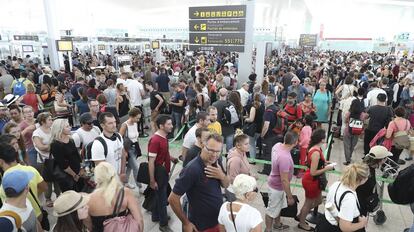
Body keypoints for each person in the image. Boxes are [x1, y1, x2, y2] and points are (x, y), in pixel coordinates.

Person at [169, 133, 230, 232]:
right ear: (202, 145)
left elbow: (226, 184)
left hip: (218, 221)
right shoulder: (192, 169)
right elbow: (172, 199)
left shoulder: (216, 161)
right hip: (202, 226)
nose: (214, 155)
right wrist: (186, 223)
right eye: (210, 150)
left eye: (218, 151)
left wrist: (222, 176)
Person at [88, 162, 143, 232]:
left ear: (97, 178)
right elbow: (139, 219)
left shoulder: (89, 199)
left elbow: (89, 226)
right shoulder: (125, 193)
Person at [0, 143, 48, 223]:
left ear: (1, 161)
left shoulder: (3, 186)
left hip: (21, 221)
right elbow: (44, 187)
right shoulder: (31, 170)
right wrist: (33, 194)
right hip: (38, 214)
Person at [298, 129, 334, 231]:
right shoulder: (316, 152)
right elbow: (313, 172)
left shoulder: (316, 148)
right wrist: (327, 168)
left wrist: (325, 163)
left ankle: (301, 215)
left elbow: (316, 163)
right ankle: (302, 223)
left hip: (313, 180)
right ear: (322, 139)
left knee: (318, 200)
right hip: (311, 180)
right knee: (308, 203)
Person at [315, 163, 369, 232]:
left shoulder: (337, 184)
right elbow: (345, 227)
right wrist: (362, 223)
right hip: (335, 228)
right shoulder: (349, 198)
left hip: (326, 223)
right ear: (362, 179)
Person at [148, 115, 178, 232]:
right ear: (161, 126)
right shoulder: (155, 140)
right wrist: (152, 180)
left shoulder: (164, 137)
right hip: (158, 174)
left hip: (164, 172)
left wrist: (171, 158)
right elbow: (151, 162)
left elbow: (163, 152)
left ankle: (156, 216)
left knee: (159, 195)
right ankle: (163, 224)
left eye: (171, 123)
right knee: (162, 198)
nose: (171, 126)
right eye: (169, 124)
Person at [265, 131, 298, 232]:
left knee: (277, 206)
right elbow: (284, 180)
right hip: (277, 187)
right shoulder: (285, 158)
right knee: (271, 210)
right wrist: (290, 196)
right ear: (295, 142)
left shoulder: (277, 145)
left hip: (274, 182)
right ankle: (268, 229)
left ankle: (277, 224)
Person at [32, 112, 60, 207]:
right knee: (48, 180)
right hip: (44, 160)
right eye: (49, 119)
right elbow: (40, 147)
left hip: (55, 158)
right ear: (43, 122)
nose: (51, 121)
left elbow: (59, 141)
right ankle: (48, 198)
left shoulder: (53, 129)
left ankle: (58, 195)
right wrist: (52, 146)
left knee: (57, 178)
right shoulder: (37, 133)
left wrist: (50, 146)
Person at [91, 112, 126, 182]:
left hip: (118, 178)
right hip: (107, 182)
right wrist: (114, 180)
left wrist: (122, 173)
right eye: (110, 123)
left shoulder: (118, 136)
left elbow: (123, 155)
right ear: (102, 125)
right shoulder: (98, 144)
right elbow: (101, 168)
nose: (114, 125)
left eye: (114, 122)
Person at [356, 146, 391, 217]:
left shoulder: (363, 166)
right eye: (386, 158)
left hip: (357, 203)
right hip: (358, 207)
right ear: (381, 160)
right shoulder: (368, 174)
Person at [50, 119, 83, 192]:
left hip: (77, 171)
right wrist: (74, 175)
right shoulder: (55, 144)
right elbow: (63, 164)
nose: (70, 128)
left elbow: (76, 155)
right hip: (67, 176)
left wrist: (81, 168)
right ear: (60, 129)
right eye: (67, 126)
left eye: (69, 125)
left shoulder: (71, 139)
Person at [119, 107, 142, 189]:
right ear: (132, 116)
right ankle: (140, 186)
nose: (138, 120)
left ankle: (125, 183)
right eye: (137, 118)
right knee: (136, 168)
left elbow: (136, 137)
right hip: (128, 149)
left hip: (135, 147)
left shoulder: (135, 124)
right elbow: (120, 139)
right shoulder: (125, 125)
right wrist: (124, 152)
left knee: (129, 167)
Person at [259, 94, 279, 175]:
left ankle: (267, 170)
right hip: (276, 135)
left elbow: (266, 125)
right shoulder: (276, 108)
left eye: (266, 99)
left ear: (269, 100)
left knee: (267, 153)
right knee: (273, 153)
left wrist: (262, 135)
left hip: (268, 136)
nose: (264, 101)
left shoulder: (268, 111)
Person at [343, 97, 366, 165]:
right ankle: (349, 156)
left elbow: (345, 120)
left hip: (348, 130)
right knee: (352, 145)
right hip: (357, 131)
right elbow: (363, 122)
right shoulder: (362, 114)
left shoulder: (349, 113)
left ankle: (347, 159)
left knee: (347, 145)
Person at [213, 88, 236, 152]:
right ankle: (230, 161)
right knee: (230, 150)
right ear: (227, 94)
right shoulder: (231, 104)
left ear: (218, 94)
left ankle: (219, 162)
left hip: (218, 129)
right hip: (230, 129)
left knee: (219, 149)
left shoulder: (214, 105)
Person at [244, 93, 264, 162]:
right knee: (254, 143)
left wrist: (246, 119)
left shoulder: (254, 107)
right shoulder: (263, 106)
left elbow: (251, 119)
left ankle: (252, 160)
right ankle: (254, 157)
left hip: (253, 128)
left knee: (251, 144)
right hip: (260, 128)